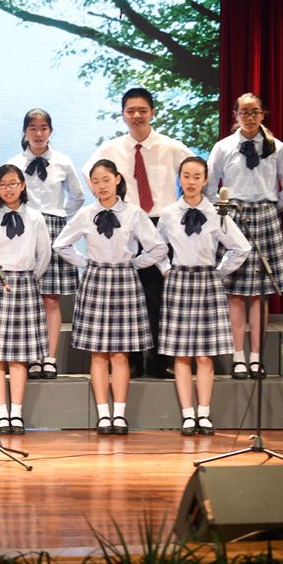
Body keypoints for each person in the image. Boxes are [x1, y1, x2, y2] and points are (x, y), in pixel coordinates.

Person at [82, 89, 192, 378]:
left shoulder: (171, 146)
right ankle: (131, 360)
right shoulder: (112, 148)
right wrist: (108, 201)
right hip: (127, 224)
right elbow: (88, 172)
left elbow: (195, 171)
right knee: (127, 297)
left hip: (161, 224)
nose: (137, 116)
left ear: (152, 112)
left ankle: (159, 360)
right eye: (130, 110)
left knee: (160, 295)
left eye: (142, 110)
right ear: (123, 114)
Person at [54, 160, 167, 435]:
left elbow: (158, 247)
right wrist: (85, 262)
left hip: (125, 280)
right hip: (96, 279)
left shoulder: (133, 213)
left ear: (117, 179)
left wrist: (135, 264)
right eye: (95, 181)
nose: (101, 186)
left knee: (120, 353)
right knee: (99, 352)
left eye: (106, 179)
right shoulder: (86, 214)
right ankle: (103, 414)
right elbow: (60, 244)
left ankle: (120, 414)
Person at [207, 92, 283, 379]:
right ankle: (238, 356)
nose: (249, 117)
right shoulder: (223, 147)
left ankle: (257, 358)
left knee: (260, 293)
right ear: (235, 115)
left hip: (265, 216)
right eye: (244, 112)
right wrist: (224, 213)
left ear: (263, 114)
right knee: (235, 292)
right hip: (233, 216)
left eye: (255, 112)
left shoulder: (277, 147)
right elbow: (209, 189)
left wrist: (269, 210)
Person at [157, 158, 250, 436]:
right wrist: (166, 269)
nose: (191, 181)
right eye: (186, 175)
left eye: (197, 176)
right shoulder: (169, 213)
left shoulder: (217, 213)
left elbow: (241, 248)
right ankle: (188, 415)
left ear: (206, 180)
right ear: (180, 178)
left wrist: (219, 272)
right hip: (179, 281)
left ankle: (204, 414)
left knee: (204, 355)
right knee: (181, 355)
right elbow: (156, 247)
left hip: (207, 280)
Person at [0, 165, 51, 435]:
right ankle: (1, 413)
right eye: (2, 185)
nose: (8, 189)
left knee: (19, 356)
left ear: (22, 185)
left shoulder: (36, 218)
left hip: (25, 283)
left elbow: (44, 254)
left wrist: (28, 278)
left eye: (13, 183)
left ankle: (16, 413)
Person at [7, 108, 84, 379]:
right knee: (27, 298)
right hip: (24, 228)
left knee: (50, 299)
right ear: (25, 131)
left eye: (43, 128)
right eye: (33, 128)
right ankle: (30, 356)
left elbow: (77, 197)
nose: (38, 133)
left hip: (53, 228)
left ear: (50, 131)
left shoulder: (62, 161)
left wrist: (60, 218)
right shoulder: (14, 163)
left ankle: (49, 358)